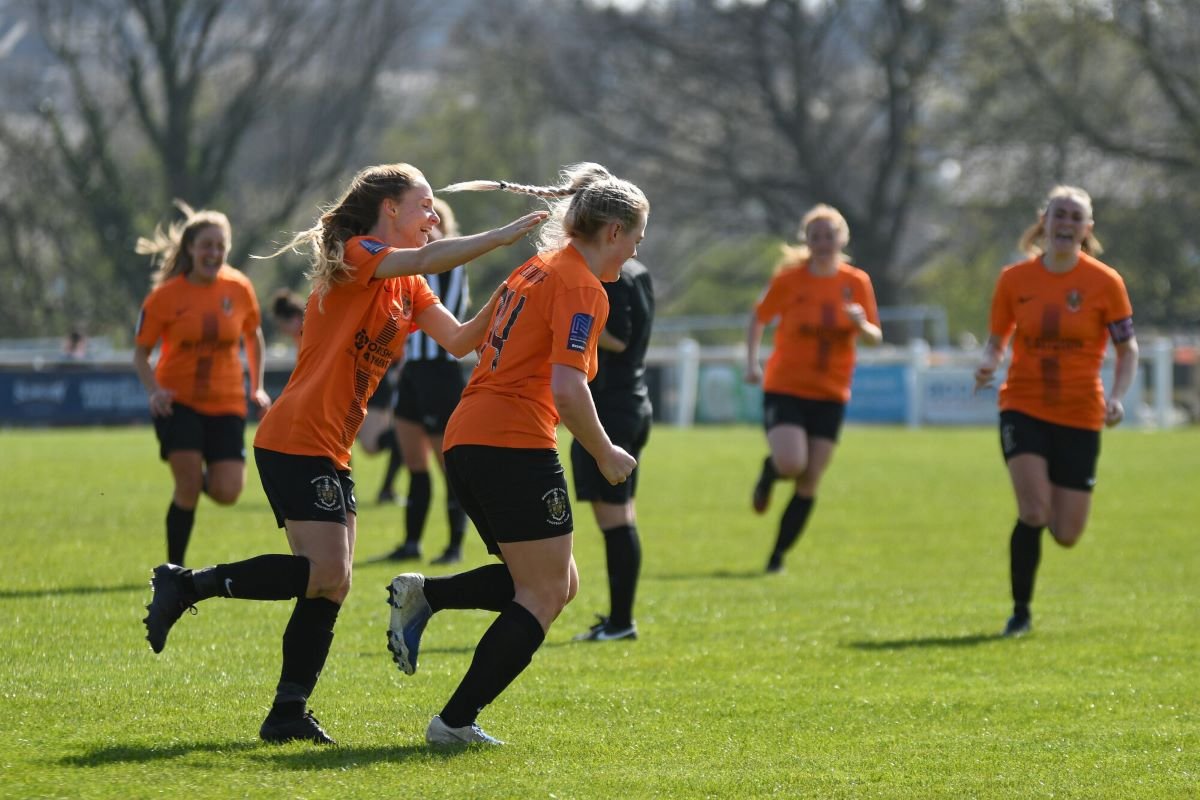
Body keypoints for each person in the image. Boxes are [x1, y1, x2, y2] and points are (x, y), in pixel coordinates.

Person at [141, 162, 547, 745]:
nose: (432, 216)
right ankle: (187, 585)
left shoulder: (409, 283)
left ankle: (287, 711)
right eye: (424, 205)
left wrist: (516, 287)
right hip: (297, 434)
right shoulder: (359, 253)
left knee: (332, 583)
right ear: (389, 210)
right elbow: (427, 258)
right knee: (327, 572)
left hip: (331, 444)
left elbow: (459, 339)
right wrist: (500, 237)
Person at [386, 162, 646, 746]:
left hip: (467, 438)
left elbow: (459, 340)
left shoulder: (534, 268)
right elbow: (567, 387)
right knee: (546, 592)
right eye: (635, 239)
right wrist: (605, 453)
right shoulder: (581, 286)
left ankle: (428, 595)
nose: (633, 253)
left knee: (558, 582)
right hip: (514, 442)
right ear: (612, 232)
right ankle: (453, 722)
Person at [974, 185, 1138, 638]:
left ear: (1087, 228)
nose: (1065, 223)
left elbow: (1128, 350)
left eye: (1075, 217)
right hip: (1022, 405)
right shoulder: (1013, 280)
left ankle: (1028, 586)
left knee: (1065, 533)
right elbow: (996, 338)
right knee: (1033, 511)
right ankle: (1020, 612)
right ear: (1043, 222)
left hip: (1081, 413)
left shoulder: (1106, 283)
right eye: (1058, 214)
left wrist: (1118, 396)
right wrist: (988, 362)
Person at [745, 204, 882, 574]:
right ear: (806, 240)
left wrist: (861, 325)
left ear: (842, 238)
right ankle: (769, 472)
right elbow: (758, 318)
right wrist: (752, 363)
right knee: (792, 463)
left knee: (808, 481)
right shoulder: (790, 280)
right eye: (815, 236)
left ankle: (777, 557)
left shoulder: (857, 282)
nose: (822, 242)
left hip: (831, 393)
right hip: (786, 386)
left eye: (829, 235)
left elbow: (875, 337)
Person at [133, 203, 271, 568]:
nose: (213, 253)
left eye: (220, 246)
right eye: (206, 245)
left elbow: (253, 337)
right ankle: (173, 571)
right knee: (187, 488)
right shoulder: (164, 297)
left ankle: (195, 476)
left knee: (228, 492)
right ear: (191, 248)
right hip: (178, 402)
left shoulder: (239, 288)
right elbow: (141, 353)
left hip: (227, 402)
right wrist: (154, 391)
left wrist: (257, 386)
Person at [382, 197, 472, 564]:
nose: (427, 229)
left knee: (448, 466)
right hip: (414, 371)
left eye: (434, 223)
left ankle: (454, 546)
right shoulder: (408, 264)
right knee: (414, 463)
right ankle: (411, 542)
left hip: (441, 373)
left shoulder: (447, 263)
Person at [570, 258, 655, 642]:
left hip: (612, 410)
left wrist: (570, 316)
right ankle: (620, 619)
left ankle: (622, 622)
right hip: (628, 404)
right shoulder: (637, 270)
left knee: (617, 520)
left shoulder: (615, 277)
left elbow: (618, 338)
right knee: (621, 518)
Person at [274, 287, 406, 505]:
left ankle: (409, 438)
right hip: (348, 386)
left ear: (294, 318)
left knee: (371, 444)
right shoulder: (305, 331)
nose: (282, 330)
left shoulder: (313, 326)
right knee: (338, 436)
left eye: (282, 324)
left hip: (368, 381)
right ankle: (346, 488)